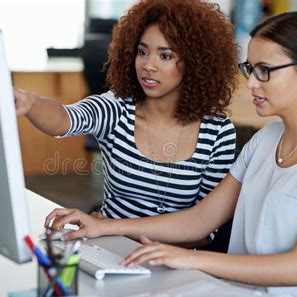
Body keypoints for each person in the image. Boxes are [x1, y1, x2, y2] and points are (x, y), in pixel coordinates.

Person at [45, 11, 297, 297]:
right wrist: (105, 226)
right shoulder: (267, 139)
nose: (252, 83)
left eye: (265, 71)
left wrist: (188, 259)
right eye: (249, 69)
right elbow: (200, 220)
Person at [15, 0, 238, 250]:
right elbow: (64, 119)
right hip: (112, 249)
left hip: (176, 260)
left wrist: (111, 226)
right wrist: (30, 102)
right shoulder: (117, 108)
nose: (148, 65)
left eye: (165, 55)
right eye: (142, 52)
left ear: (194, 63)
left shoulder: (217, 132)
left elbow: (204, 231)